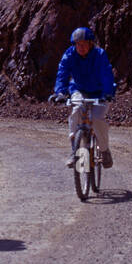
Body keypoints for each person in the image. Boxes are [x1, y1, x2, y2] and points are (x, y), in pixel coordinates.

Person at [48, 26, 116, 168]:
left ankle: (104, 151)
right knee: (76, 110)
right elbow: (62, 73)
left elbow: (106, 75)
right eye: (78, 44)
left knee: (97, 118)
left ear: (91, 43)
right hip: (79, 89)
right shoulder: (70, 54)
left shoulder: (99, 55)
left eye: (84, 44)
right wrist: (60, 92)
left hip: (100, 92)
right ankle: (75, 152)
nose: (81, 47)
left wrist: (108, 93)